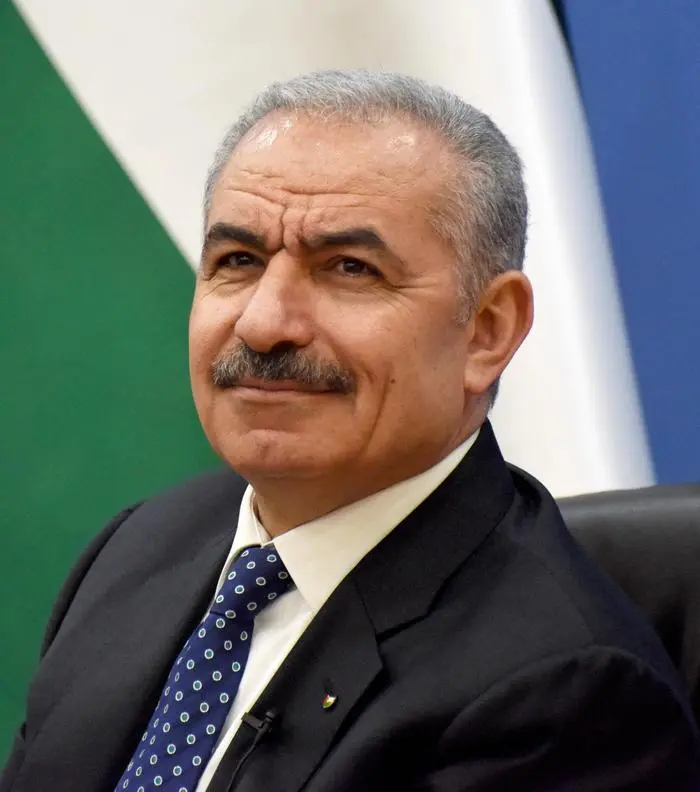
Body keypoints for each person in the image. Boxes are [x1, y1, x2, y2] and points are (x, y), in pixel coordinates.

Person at [1, 69, 698, 792]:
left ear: (487, 330)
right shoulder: (139, 548)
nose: (264, 323)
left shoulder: (565, 698)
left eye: (349, 269)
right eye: (238, 261)